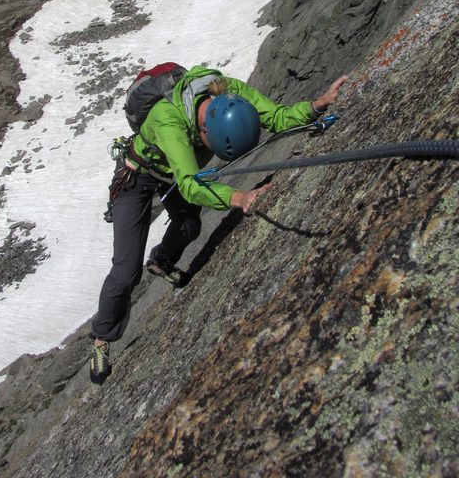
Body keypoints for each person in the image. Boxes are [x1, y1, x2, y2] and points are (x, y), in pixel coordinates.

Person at [90, 65, 348, 384]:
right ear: (203, 133)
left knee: (189, 224)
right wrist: (239, 198)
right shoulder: (168, 120)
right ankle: (102, 340)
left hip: (169, 171)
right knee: (126, 270)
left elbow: (276, 117)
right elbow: (189, 184)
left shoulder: (229, 91)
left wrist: (315, 106)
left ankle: (161, 261)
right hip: (137, 175)